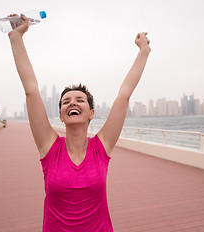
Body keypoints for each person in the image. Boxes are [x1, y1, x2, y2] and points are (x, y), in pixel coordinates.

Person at [8, 14, 150, 232]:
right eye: (66, 102)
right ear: (62, 115)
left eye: (79, 100)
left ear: (91, 112)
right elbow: (31, 90)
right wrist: (16, 37)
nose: (72, 103)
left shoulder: (101, 147)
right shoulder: (49, 148)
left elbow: (124, 95)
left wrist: (143, 52)